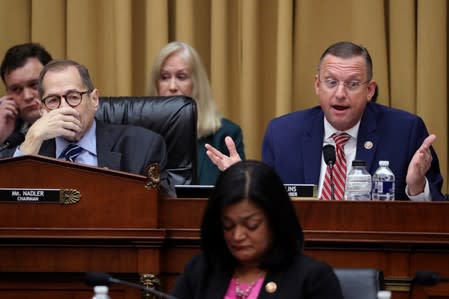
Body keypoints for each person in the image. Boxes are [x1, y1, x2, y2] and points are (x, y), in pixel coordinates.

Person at [206, 41, 445, 201]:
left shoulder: (405, 131)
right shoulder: (283, 134)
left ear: (370, 90)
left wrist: (416, 187)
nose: (340, 93)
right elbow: (269, 210)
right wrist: (241, 181)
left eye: (352, 84)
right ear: (317, 85)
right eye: (331, 82)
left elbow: (438, 218)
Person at [172, 160, 343, 299]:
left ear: (275, 221)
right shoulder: (200, 271)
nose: (237, 236)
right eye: (228, 225)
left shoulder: (312, 278)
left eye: (251, 225)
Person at [14, 59, 175, 197]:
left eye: (73, 97)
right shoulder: (26, 149)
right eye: (53, 100)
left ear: (94, 100)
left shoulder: (142, 148)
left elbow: (163, 214)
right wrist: (32, 138)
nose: (64, 108)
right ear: (42, 110)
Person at [148, 41, 245, 185]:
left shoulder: (226, 135)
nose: (172, 86)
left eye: (181, 77)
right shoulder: (143, 136)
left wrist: (238, 178)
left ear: (197, 84)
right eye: (165, 77)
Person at [0, 42, 52, 154]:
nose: (27, 96)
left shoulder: (79, 123)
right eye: (16, 89)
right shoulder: (8, 128)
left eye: (34, 84)